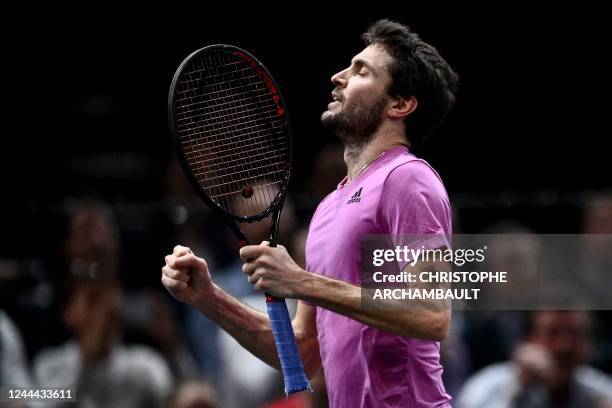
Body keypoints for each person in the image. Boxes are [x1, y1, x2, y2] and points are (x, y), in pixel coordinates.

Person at [162, 19, 459, 407]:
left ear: (399, 104)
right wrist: (208, 297)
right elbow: (301, 352)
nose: (338, 77)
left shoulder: (407, 179)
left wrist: (300, 281)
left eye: (361, 71)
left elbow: (431, 314)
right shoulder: (328, 210)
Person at [456, 310, 612, 408]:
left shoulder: (602, 393)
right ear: (528, 340)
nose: (564, 346)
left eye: (575, 334)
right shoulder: (488, 387)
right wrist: (519, 388)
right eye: (553, 333)